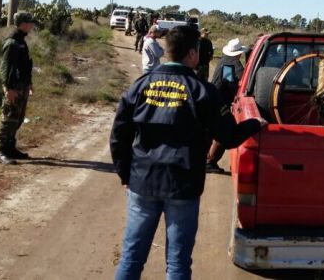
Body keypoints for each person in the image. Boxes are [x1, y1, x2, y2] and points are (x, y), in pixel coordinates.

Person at [110, 25, 263, 280]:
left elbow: (118, 136)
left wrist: (126, 175)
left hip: (143, 182)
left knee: (132, 257)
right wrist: (255, 123)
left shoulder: (140, 85)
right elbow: (228, 136)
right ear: (192, 54)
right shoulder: (204, 92)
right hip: (182, 185)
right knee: (178, 263)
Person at [0, 11, 37, 165]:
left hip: (22, 85)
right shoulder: (12, 42)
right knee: (8, 118)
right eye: (30, 22)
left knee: (17, 119)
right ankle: (2, 151)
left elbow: (25, 65)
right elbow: (6, 67)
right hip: (14, 87)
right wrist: (8, 88)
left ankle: (11, 148)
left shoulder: (21, 41)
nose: (32, 25)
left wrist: (30, 83)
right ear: (23, 24)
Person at [205, 38, 248, 173]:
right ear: (239, 53)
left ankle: (208, 159)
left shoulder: (224, 60)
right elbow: (230, 83)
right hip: (220, 100)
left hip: (214, 98)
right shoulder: (233, 64)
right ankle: (210, 162)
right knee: (224, 131)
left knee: (215, 131)